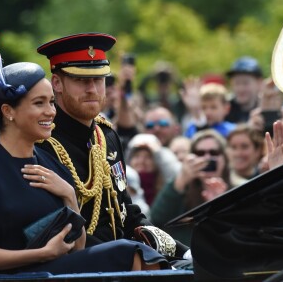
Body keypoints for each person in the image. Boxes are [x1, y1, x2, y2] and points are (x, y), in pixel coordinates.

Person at [0, 59, 169, 275]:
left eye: (52, 102)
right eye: (39, 103)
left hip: (52, 270)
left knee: (146, 259)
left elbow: (77, 245)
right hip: (13, 276)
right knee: (126, 252)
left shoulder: (51, 163)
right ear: (8, 111)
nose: (50, 112)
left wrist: (69, 197)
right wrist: (41, 254)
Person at [36, 33, 189, 259]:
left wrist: (182, 253)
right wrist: (124, 252)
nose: (93, 89)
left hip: (122, 261)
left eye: (99, 80)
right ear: (57, 83)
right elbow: (53, 227)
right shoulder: (42, 143)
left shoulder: (105, 135)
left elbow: (126, 211)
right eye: (81, 80)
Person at [150, 129, 230, 246]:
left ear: (224, 158)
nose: (207, 157)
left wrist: (221, 203)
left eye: (214, 152)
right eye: (200, 153)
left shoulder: (239, 187)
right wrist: (181, 180)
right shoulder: (181, 189)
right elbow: (157, 218)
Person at [225, 56, 264, 124]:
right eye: (237, 83)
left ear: (259, 83)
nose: (241, 89)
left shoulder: (266, 108)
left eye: (246, 83)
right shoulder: (224, 110)